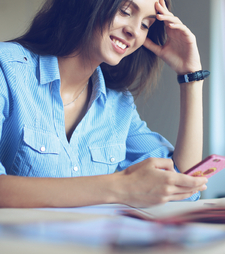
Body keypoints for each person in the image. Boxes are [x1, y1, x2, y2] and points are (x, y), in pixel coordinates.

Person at [0, 0, 209, 208]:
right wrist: (119, 187)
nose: (134, 31)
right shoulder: (7, 69)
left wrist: (190, 76)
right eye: (125, 11)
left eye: (146, 24)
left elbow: (183, 184)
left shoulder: (118, 104)